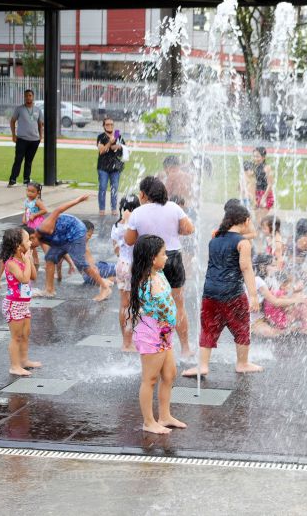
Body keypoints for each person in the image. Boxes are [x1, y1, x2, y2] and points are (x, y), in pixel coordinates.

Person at [182, 204, 261, 378]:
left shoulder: (214, 239)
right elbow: (246, 268)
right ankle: (242, 363)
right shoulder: (243, 242)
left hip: (210, 292)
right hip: (232, 292)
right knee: (241, 327)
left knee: (208, 328)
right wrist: (254, 295)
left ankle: (202, 366)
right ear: (246, 221)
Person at [125, 176, 195, 357]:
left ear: (143, 194)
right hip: (172, 257)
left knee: (146, 305)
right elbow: (189, 229)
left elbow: (129, 240)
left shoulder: (138, 213)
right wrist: (172, 230)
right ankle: (185, 348)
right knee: (178, 305)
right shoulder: (173, 207)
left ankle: (151, 345)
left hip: (147, 262)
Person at [127, 234, 187, 434]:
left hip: (164, 334)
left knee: (169, 375)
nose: (167, 257)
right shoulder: (147, 281)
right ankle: (148, 422)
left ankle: (165, 415)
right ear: (153, 258)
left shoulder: (159, 273)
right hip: (151, 334)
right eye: (163, 254)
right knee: (150, 379)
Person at [30, 195, 112, 301]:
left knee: (81, 263)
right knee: (49, 258)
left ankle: (105, 288)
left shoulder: (43, 228)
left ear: (32, 237)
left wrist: (78, 200)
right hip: (64, 236)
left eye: (29, 244)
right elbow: (59, 252)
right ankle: (49, 290)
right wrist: (69, 263)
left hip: (75, 230)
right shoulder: (40, 239)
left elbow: (58, 210)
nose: (29, 247)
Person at [0, 226, 39, 376]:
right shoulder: (11, 263)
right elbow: (23, 279)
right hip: (13, 304)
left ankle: (24, 360)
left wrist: (28, 259)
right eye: (28, 240)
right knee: (16, 336)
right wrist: (28, 261)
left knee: (25, 333)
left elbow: (33, 276)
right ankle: (14, 366)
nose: (31, 242)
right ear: (18, 245)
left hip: (23, 304)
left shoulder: (23, 259)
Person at [249, 254, 307, 338]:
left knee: (301, 309)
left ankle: (303, 327)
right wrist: (296, 300)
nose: (276, 268)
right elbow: (275, 301)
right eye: (272, 265)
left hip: (267, 317)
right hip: (255, 321)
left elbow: (281, 296)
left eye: (275, 265)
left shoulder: (271, 279)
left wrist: (295, 291)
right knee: (270, 333)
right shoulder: (257, 280)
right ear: (262, 267)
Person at [112, 194, 141, 351]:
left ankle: (125, 341)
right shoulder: (134, 226)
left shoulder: (116, 226)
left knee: (124, 305)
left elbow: (116, 249)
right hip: (133, 266)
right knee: (134, 305)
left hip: (121, 265)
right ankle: (131, 342)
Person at [8, 89, 43, 187]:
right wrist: (14, 135)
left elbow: (40, 124)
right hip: (22, 140)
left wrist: (40, 137)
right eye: (26, 96)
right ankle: (12, 179)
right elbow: (12, 121)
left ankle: (26, 180)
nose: (28, 97)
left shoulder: (37, 110)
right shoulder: (19, 109)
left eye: (30, 95)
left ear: (33, 97)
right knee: (18, 159)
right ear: (24, 97)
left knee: (29, 161)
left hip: (34, 140)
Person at [95, 118, 125, 216]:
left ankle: (114, 209)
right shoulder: (101, 137)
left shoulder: (117, 134)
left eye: (111, 124)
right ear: (104, 126)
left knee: (114, 188)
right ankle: (102, 209)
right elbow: (102, 150)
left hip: (115, 168)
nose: (110, 126)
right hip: (103, 167)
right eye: (107, 124)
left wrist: (118, 147)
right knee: (102, 187)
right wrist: (109, 143)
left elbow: (122, 150)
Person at [23, 181, 47, 266]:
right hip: (30, 223)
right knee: (31, 242)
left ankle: (49, 258)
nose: (29, 193)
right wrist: (24, 218)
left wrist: (35, 215)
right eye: (28, 191)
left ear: (38, 192)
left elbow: (44, 210)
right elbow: (26, 210)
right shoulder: (27, 201)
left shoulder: (37, 202)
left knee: (42, 241)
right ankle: (36, 260)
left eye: (32, 192)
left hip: (37, 223)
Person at [252, 147, 275, 219]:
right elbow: (253, 182)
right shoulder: (255, 167)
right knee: (257, 219)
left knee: (261, 219)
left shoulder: (267, 168)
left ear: (263, 157)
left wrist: (264, 198)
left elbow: (270, 184)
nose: (255, 158)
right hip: (257, 194)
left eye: (257, 156)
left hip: (266, 195)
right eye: (254, 156)